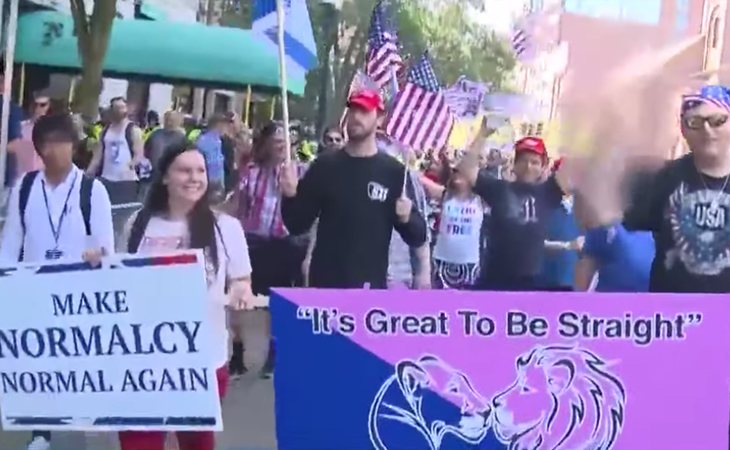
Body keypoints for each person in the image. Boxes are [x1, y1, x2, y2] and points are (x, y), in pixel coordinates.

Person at [120, 140, 253, 450]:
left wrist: (240, 291)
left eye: (200, 171)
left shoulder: (226, 227)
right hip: (142, 364)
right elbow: (119, 281)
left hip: (202, 363)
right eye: (184, 170)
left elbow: (241, 278)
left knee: (196, 444)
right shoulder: (137, 224)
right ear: (165, 176)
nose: (194, 178)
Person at [0, 113, 114, 450]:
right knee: (38, 364)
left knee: (75, 360)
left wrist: (99, 255)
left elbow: (107, 245)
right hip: (34, 290)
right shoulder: (25, 187)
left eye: (59, 142)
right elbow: (11, 243)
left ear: (73, 144)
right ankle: (40, 431)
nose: (52, 150)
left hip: (78, 294)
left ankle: (83, 416)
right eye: (44, 144)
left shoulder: (93, 191)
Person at [279, 89, 427, 288]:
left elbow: (418, 236)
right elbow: (297, 225)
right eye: (353, 110)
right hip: (325, 286)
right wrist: (289, 196)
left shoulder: (394, 173)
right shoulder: (324, 166)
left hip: (369, 289)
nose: (356, 117)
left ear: (380, 118)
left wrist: (407, 218)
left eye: (364, 111)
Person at [229, 121, 308, 379]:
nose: (280, 143)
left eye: (285, 139)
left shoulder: (299, 171)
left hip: (283, 243)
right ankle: (238, 353)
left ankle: (273, 354)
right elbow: (240, 207)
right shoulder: (250, 172)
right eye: (275, 139)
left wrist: (293, 190)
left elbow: (306, 211)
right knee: (240, 299)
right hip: (252, 240)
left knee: (276, 303)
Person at [457, 127, 569, 291]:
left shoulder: (550, 191)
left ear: (543, 166)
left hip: (529, 284)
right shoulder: (498, 188)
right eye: (523, 160)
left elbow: (578, 169)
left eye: (535, 162)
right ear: (514, 164)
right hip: (493, 281)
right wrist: (482, 134)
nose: (528, 166)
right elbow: (467, 170)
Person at [428, 167, 486, 289]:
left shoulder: (480, 199)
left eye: (462, 172)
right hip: (442, 260)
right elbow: (424, 183)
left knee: (468, 301)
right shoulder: (445, 195)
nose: (458, 176)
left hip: (470, 262)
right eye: (455, 172)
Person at [87, 97, 144, 204]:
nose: (119, 110)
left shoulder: (132, 129)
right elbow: (97, 156)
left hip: (126, 181)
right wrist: (89, 172)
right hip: (106, 178)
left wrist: (132, 164)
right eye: (116, 107)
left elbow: (139, 153)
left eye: (122, 107)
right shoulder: (105, 131)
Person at [195, 114, 228, 202]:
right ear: (218, 126)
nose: (226, 129)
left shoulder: (219, 140)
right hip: (208, 182)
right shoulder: (204, 141)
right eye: (224, 126)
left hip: (217, 182)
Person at [16, 91, 50, 174]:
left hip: (41, 177)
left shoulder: (52, 130)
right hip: (20, 176)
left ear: (48, 106)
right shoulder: (20, 127)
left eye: (42, 105)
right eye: (35, 104)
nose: (37, 108)